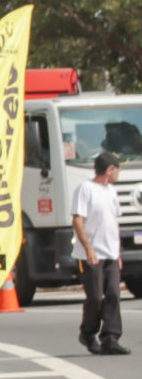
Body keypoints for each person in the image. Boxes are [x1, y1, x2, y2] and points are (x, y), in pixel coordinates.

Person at [72, 150, 130, 355]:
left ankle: (110, 337)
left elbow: (112, 223)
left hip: (111, 253)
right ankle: (88, 333)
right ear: (109, 170)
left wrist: (118, 251)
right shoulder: (85, 189)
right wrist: (88, 247)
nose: (119, 172)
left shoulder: (111, 191)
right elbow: (77, 219)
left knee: (114, 294)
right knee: (95, 297)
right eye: (117, 168)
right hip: (91, 254)